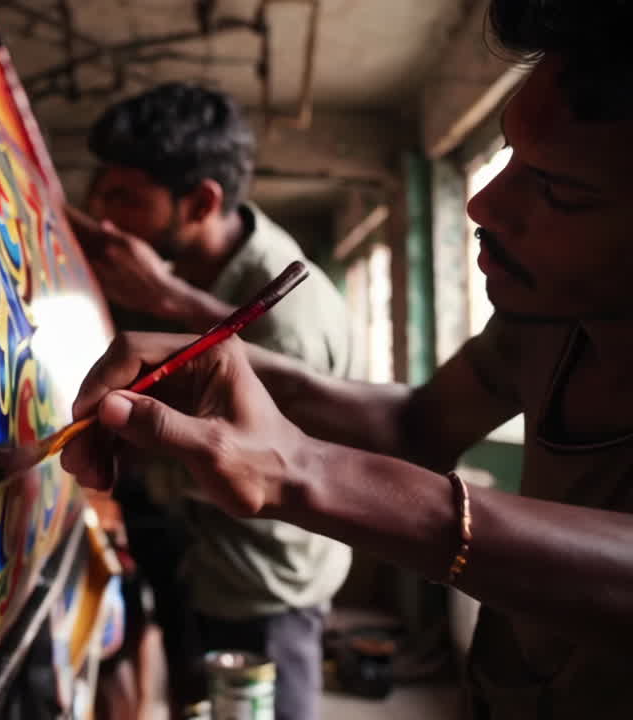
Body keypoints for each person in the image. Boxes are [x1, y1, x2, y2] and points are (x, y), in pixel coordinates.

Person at [63, 2, 633, 717]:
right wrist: (234, 362)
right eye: (511, 157)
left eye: (559, 189)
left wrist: (300, 470)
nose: (484, 203)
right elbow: (415, 426)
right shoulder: (548, 321)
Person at [73, 83, 351, 720]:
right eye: (100, 193)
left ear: (201, 202)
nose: (106, 217)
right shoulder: (171, 269)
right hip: (195, 557)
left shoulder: (288, 317)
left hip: (261, 584)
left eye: (124, 198)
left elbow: (281, 466)